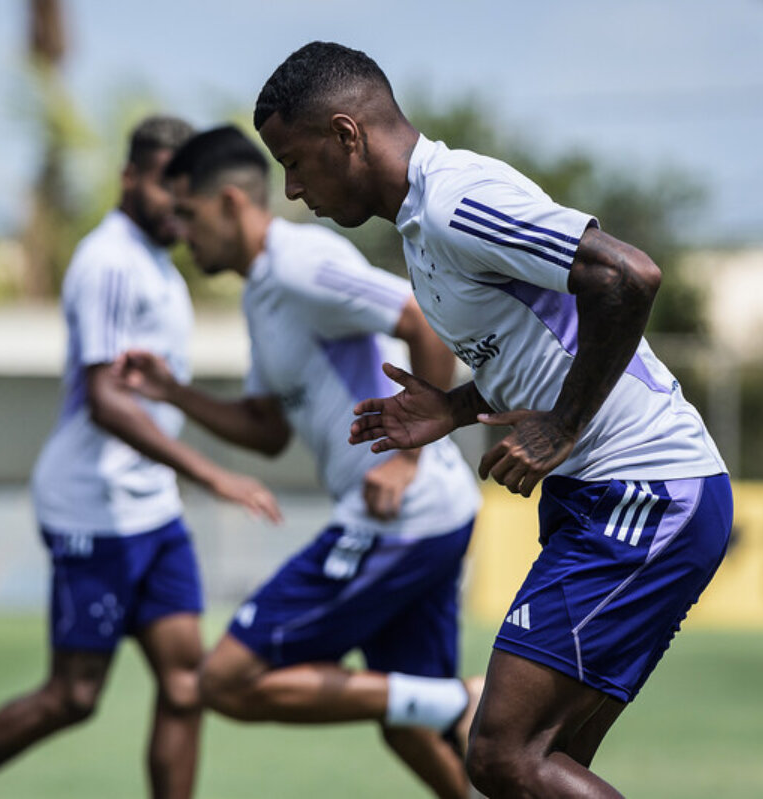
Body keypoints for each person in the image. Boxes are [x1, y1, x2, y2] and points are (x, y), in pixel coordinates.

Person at [254, 42, 732, 798]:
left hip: (644, 488)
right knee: (544, 762)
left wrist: (565, 425)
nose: (290, 189)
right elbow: (548, 339)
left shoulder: (452, 200)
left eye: (295, 161)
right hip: (600, 496)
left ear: (347, 134)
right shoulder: (419, 224)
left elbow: (629, 275)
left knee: (504, 757)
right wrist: (453, 407)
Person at [0, 116, 281, 799]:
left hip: (151, 510)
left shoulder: (159, 263)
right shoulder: (109, 261)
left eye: (183, 190)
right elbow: (102, 399)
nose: (174, 205)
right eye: (161, 185)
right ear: (128, 178)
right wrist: (210, 472)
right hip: (92, 508)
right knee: (73, 695)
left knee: (187, 684)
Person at [120, 125, 484, 798]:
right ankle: (452, 704)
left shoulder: (299, 262)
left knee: (225, 680)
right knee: (410, 720)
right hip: (417, 514)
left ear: (231, 203)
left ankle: (459, 698)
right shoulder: (262, 294)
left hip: (404, 510)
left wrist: (406, 459)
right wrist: (172, 391)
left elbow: (420, 319)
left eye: (189, 214)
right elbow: (264, 429)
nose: (180, 230)